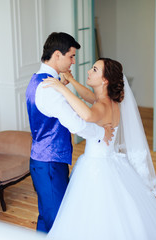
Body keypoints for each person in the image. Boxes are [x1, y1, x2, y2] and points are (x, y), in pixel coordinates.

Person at [43, 58, 156, 239]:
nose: (89, 71)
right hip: (111, 160)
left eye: (94, 69)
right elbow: (88, 96)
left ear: (104, 80)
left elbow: (86, 114)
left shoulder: (102, 106)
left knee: (96, 212)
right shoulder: (110, 101)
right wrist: (71, 81)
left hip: (96, 165)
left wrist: (61, 87)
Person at [25, 32, 113, 233]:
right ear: (57, 55)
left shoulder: (37, 80)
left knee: (47, 216)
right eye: (71, 56)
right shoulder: (50, 88)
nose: (73, 62)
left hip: (43, 160)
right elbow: (77, 125)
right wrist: (101, 133)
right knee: (59, 222)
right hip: (50, 164)